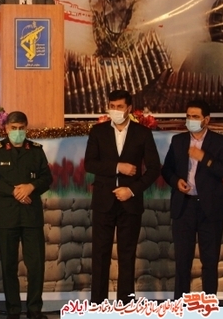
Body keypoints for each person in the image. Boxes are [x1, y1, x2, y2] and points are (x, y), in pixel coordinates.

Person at [84, 89, 160, 304]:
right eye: (112, 106)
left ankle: (125, 305)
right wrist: (118, 166)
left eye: (119, 106)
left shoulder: (142, 133)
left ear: (129, 108)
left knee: (127, 257)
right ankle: (98, 306)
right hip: (103, 202)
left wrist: (132, 190)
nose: (115, 110)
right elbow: (90, 164)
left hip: (130, 204)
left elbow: (154, 169)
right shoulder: (98, 132)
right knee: (100, 256)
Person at [0, 111, 53, 319]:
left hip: (31, 216)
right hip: (7, 216)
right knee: (8, 265)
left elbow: (46, 178)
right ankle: (13, 310)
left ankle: (34, 309)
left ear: (26, 128)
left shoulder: (36, 150)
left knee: (36, 265)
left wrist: (31, 187)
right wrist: (14, 191)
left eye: (21, 128)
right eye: (13, 128)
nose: (18, 132)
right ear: (6, 129)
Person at [161, 99, 223, 298]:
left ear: (206, 119)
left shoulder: (221, 142)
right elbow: (167, 170)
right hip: (184, 207)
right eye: (188, 116)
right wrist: (176, 182)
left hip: (210, 209)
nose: (190, 120)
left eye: (195, 117)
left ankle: (208, 305)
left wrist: (204, 158)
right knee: (182, 262)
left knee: (210, 261)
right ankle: (180, 306)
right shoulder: (178, 141)